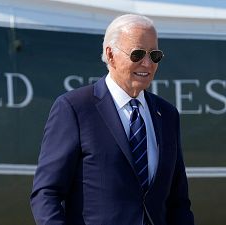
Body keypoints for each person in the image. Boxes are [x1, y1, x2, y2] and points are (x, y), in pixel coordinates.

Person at [30, 14, 194, 225]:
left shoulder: (167, 114)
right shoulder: (75, 108)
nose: (147, 63)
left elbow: (178, 201)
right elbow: (46, 194)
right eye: (137, 54)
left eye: (155, 55)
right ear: (111, 55)